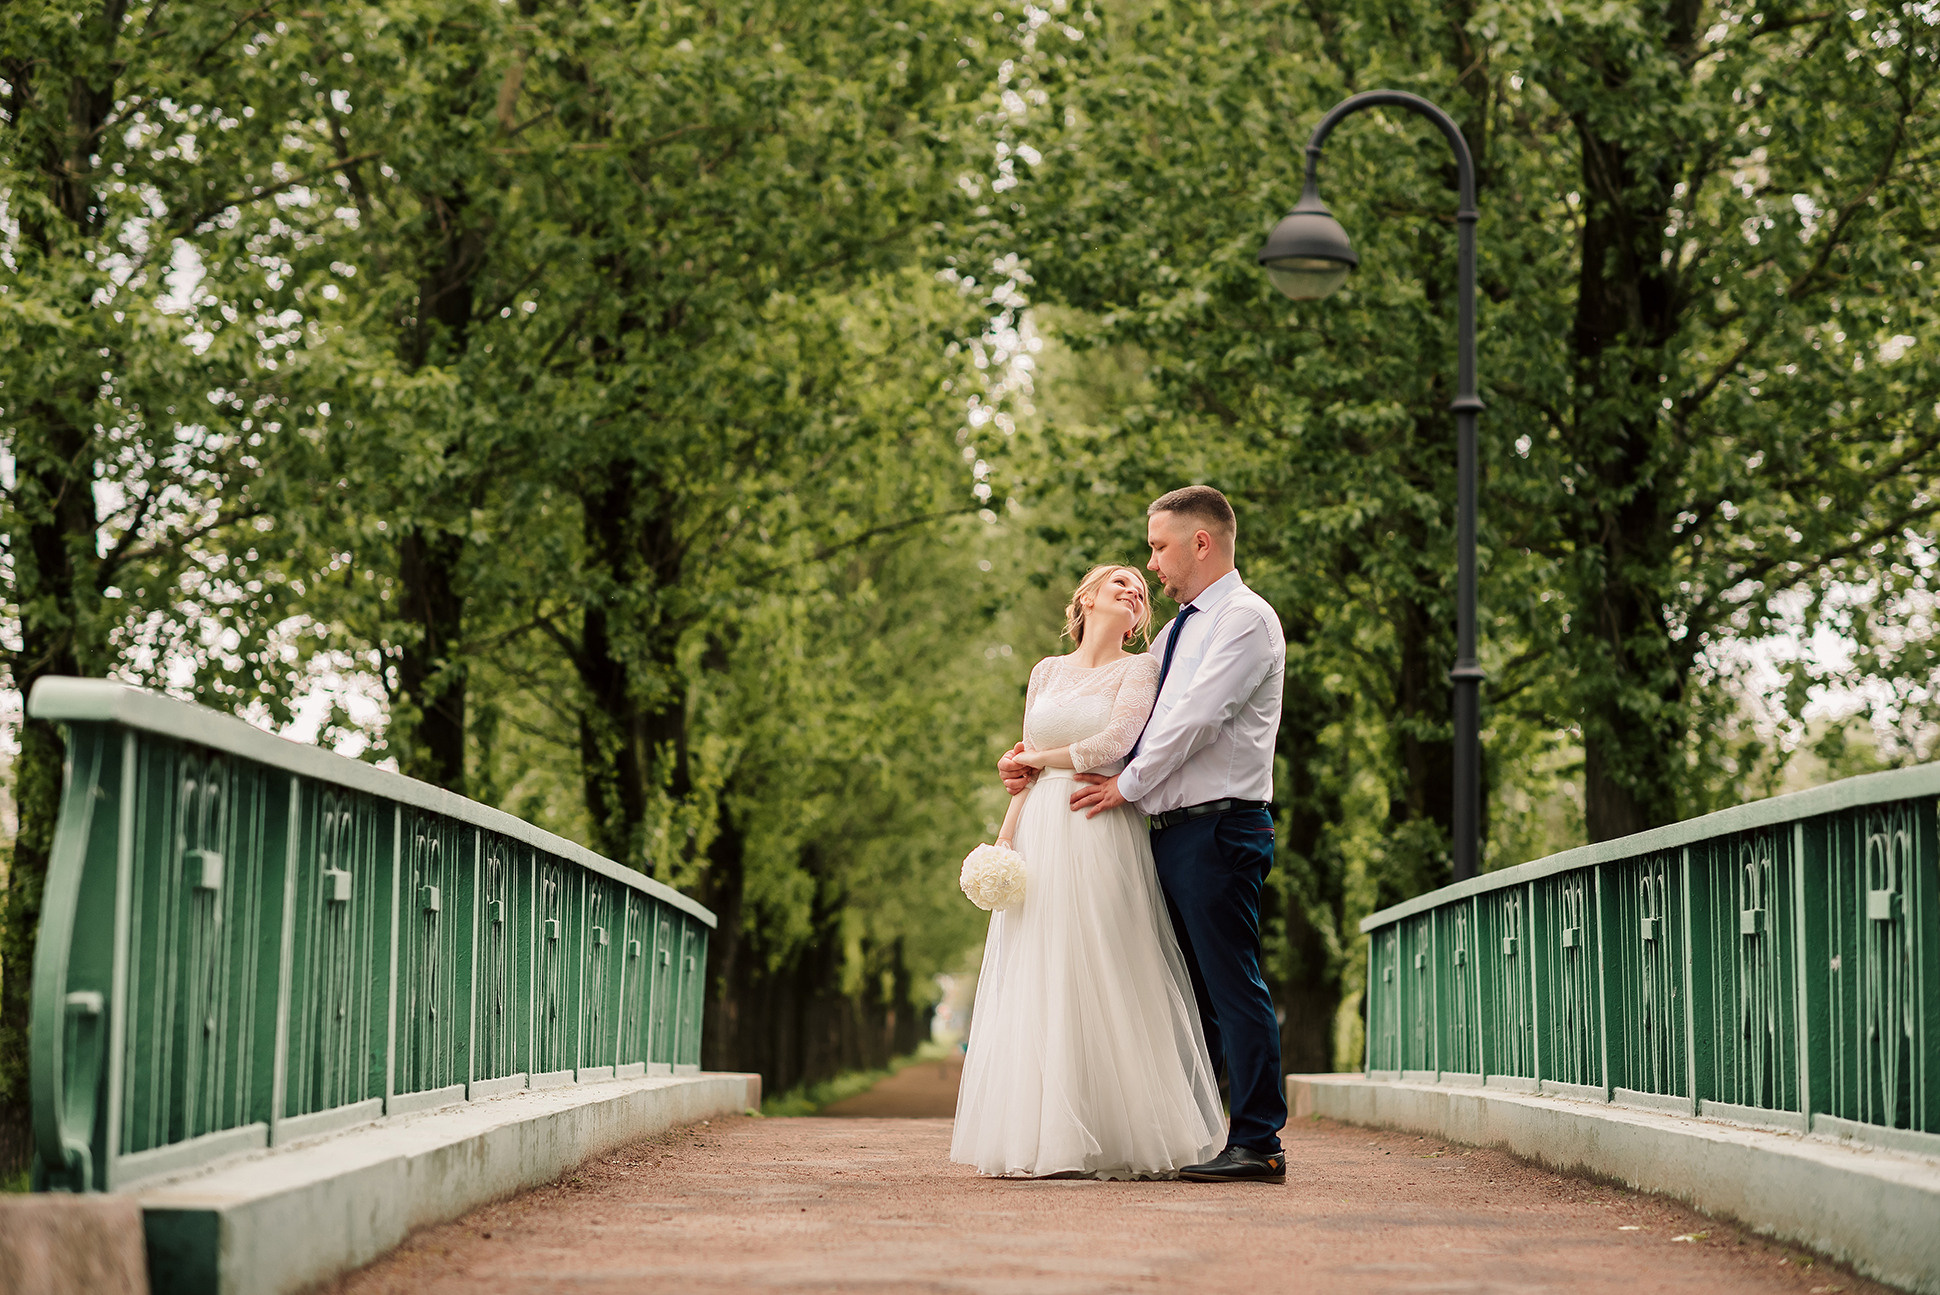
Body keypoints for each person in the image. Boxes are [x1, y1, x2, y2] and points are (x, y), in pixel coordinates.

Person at [1001, 486, 1288, 1184]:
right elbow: (1126, 727)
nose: (1151, 563)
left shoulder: (1244, 621)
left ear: (1201, 542)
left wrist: (1122, 785)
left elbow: (1194, 721)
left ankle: (1258, 1140)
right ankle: (1196, 1132)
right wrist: (1029, 765)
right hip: (1166, 828)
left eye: (1158, 547)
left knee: (1231, 985)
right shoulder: (1174, 633)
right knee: (1180, 993)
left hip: (1220, 824)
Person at [951, 565, 1224, 1180]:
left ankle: (1118, 1131)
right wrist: (1006, 832)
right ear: (1088, 597)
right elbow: (1021, 766)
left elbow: (1115, 744)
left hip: (1097, 819)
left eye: (1141, 589)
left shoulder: (1140, 670)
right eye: (1120, 581)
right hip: (1042, 825)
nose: (1134, 589)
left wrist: (1036, 758)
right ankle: (1047, 1132)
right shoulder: (1045, 672)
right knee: (1043, 962)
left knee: (1106, 957)